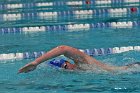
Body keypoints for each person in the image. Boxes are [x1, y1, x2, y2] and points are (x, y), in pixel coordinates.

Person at [18, 45, 138, 73]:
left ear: (67, 62)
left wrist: (36, 62)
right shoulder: (79, 71)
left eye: (65, 65)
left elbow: (63, 48)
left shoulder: (83, 63)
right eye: (64, 68)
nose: (67, 68)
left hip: (131, 68)